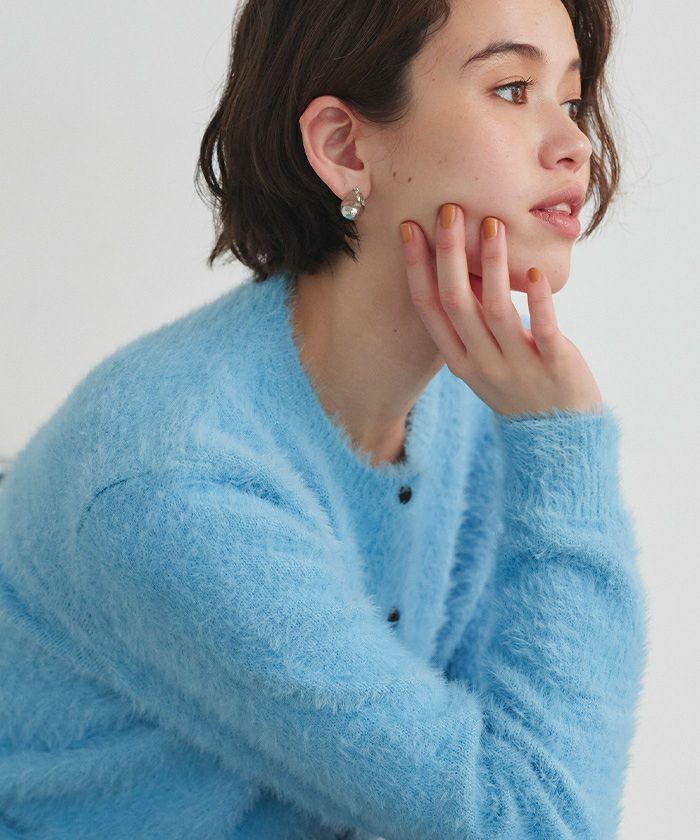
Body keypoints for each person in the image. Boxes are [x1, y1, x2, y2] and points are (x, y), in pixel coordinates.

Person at [0, 1, 649, 838]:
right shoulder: (176, 485)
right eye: (511, 89)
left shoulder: (476, 400)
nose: (574, 145)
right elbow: (532, 823)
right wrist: (565, 455)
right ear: (345, 148)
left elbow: (519, 763)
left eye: (571, 99)